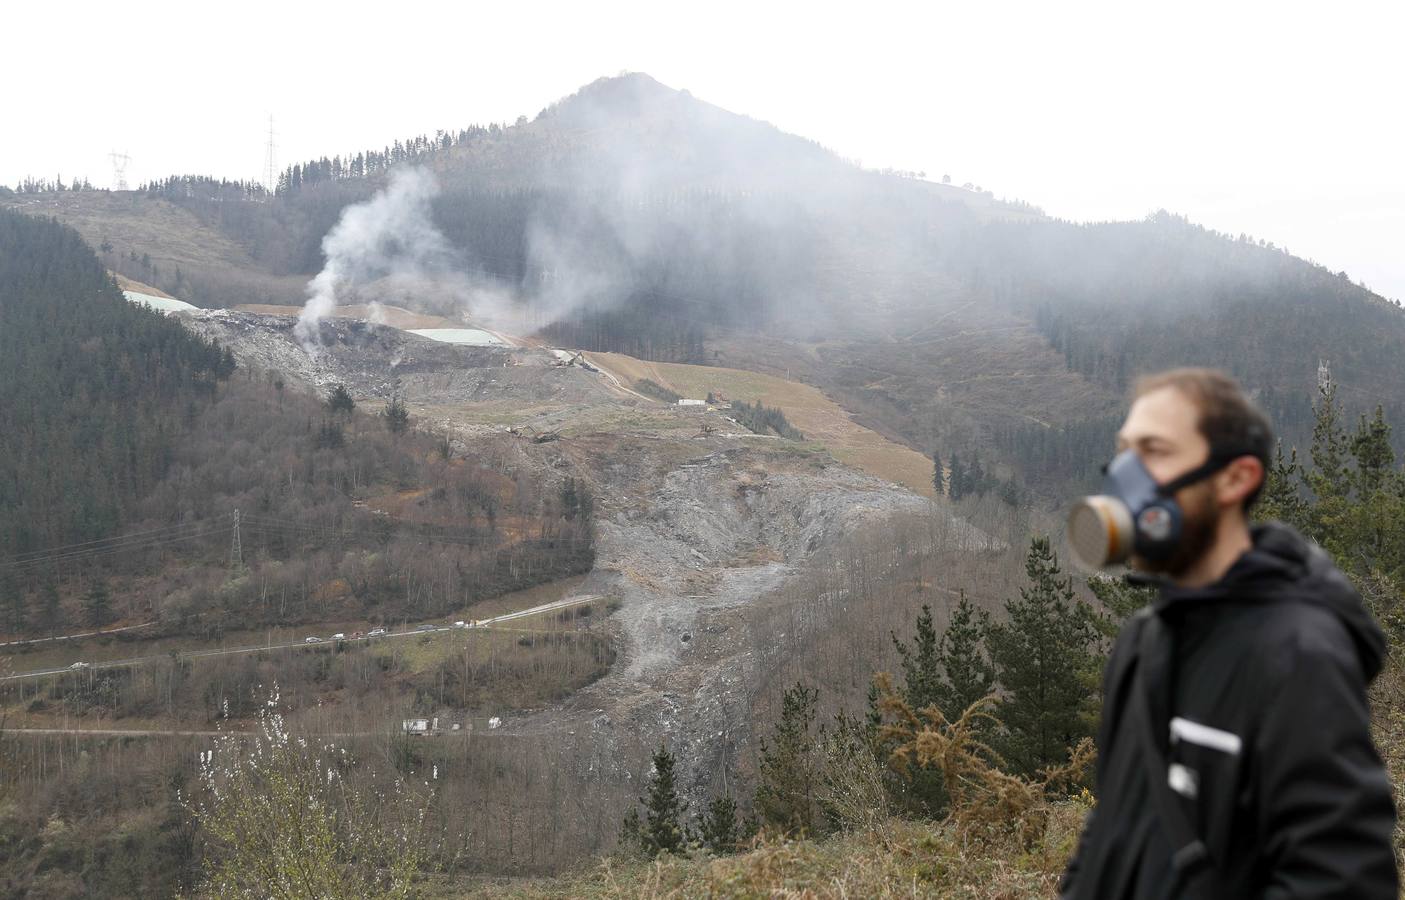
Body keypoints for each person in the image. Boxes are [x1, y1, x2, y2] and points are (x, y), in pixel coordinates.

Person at [1060, 368, 1398, 899]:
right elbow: (1110, 830)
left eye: (1155, 451)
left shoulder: (1298, 653)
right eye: (1124, 450)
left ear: (1235, 478)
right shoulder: (1143, 641)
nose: (1126, 474)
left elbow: (1342, 881)